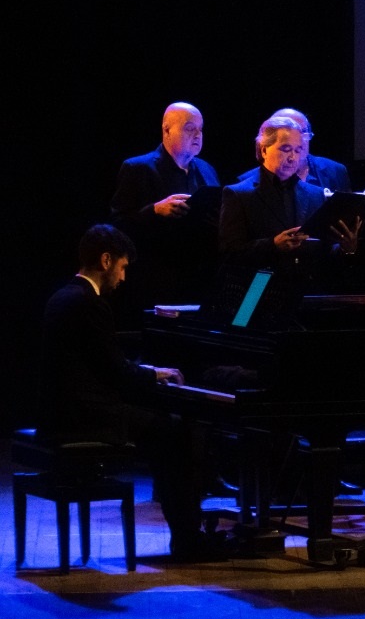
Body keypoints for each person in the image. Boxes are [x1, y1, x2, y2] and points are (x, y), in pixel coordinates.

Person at [40, 225, 227, 561]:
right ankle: (188, 539)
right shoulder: (89, 303)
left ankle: (188, 533)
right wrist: (155, 375)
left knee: (169, 430)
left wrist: (148, 373)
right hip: (87, 416)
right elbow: (117, 372)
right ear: (106, 260)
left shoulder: (62, 297)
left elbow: (104, 363)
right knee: (180, 433)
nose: (123, 277)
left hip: (64, 411)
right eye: (123, 267)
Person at [109, 101, 222, 323]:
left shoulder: (207, 170)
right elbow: (117, 226)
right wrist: (154, 210)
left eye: (200, 129)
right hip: (155, 282)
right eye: (190, 128)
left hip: (198, 281)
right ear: (167, 129)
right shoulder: (138, 168)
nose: (197, 135)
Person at [219, 115, 358, 291]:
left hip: (307, 290)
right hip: (256, 289)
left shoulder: (315, 194)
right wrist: (273, 245)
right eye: (285, 149)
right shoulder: (239, 194)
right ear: (264, 150)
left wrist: (345, 249)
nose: (293, 157)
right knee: (246, 311)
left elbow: (324, 252)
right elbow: (229, 253)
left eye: (298, 150)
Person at [233, 108, 352, 192]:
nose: (298, 139)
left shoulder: (336, 171)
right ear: (265, 148)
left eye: (303, 132)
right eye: (289, 133)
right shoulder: (244, 184)